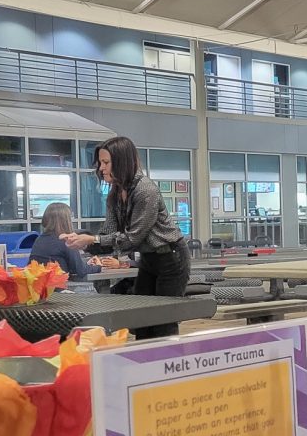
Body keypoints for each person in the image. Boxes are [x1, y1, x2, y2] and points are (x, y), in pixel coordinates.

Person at [62, 135, 190, 338]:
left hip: (171, 258)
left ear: (121, 162)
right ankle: (144, 364)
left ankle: (166, 365)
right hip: (149, 259)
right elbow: (108, 235)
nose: (101, 168)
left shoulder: (145, 191)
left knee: (163, 320)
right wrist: (82, 241)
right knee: (141, 320)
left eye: (106, 162)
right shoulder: (115, 193)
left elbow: (133, 238)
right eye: (100, 163)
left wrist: (93, 240)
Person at [30, 203, 100, 280]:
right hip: (59, 289)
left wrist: (86, 264)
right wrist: (98, 266)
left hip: (39, 289)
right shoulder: (66, 240)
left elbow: (67, 265)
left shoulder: (39, 239)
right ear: (67, 221)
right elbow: (81, 271)